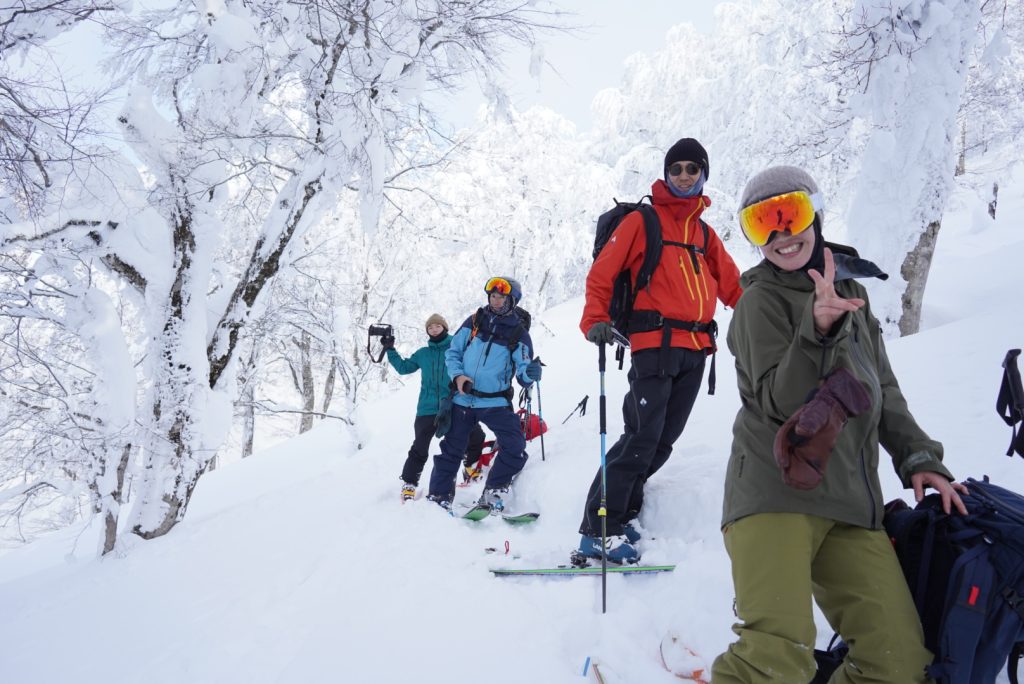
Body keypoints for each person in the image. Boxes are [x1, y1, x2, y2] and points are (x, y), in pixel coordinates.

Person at [711, 165, 968, 683]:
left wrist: (919, 457)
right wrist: (818, 329)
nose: (781, 234)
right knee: (775, 658)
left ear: (817, 213)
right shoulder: (757, 302)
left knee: (895, 662)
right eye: (763, 224)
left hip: (851, 504)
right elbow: (781, 403)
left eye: (791, 214)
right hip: (774, 493)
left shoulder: (851, 290)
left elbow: (882, 389)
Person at [577, 137, 742, 563]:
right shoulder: (643, 222)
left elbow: (734, 288)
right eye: (677, 168)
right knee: (641, 435)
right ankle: (598, 527)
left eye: (693, 169)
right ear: (667, 174)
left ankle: (624, 514)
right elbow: (603, 274)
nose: (684, 175)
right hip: (653, 346)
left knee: (663, 440)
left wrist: (775, 307)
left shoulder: (705, 235)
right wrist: (595, 318)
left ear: (704, 175)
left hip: (695, 350)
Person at [427, 277, 542, 511]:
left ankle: (494, 491)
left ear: (512, 301)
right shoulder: (474, 322)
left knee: (514, 446)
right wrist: (458, 376)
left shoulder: (519, 335)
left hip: (494, 402)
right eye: (493, 296)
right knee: (451, 451)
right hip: (462, 400)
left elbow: (522, 374)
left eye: (501, 297)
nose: (496, 300)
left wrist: (530, 373)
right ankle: (438, 498)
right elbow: (453, 352)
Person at [384, 314, 485, 501]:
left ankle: (470, 465)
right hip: (427, 408)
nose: (434, 329)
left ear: (445, 328)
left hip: (455, 403)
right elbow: (404, 368)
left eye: (438, 326)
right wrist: (390, 349)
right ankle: (409, 483)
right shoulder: (423, 353)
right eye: (430, 327)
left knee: (475, 435)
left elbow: (475, 360)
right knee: (420, 446)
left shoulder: (457, 347)